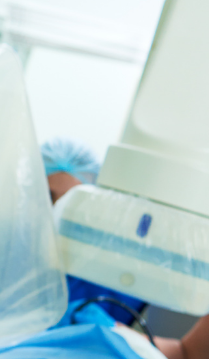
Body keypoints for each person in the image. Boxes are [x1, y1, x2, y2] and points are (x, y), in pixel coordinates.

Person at [42, 138, 148, 324]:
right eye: (48, 197)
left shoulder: (108, 274)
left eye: (70, 201)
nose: (56, 209)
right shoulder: (4, 253)